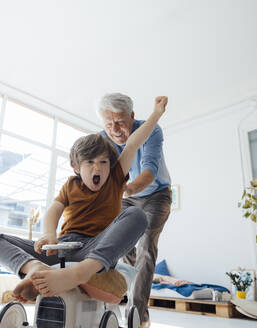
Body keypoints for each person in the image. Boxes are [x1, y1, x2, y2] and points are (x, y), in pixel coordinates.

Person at [0, 96, 168, 303]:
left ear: (111, 164)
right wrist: (49, 235)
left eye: (103, 162)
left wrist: (156, 113)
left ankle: (78, 274)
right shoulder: (70, 185)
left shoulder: (115, 178)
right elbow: (54, 209)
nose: (97, 167)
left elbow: (134, 142)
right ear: (76, 168)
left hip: (93, 249)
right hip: (61, 248)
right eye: (89, 162)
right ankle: (36, 269)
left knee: (136, 214)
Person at [99, 93, 172, 328]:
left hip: (156, 195)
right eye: (108, 124)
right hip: (127, 199)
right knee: (124, 250)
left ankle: (137, 315)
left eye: (120, 121)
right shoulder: (103, 140)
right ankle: (138, 307)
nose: (115, 129)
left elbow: (149, 171)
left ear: (132, 115)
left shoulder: (152, 130)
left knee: (147, 247)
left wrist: (127, 190)